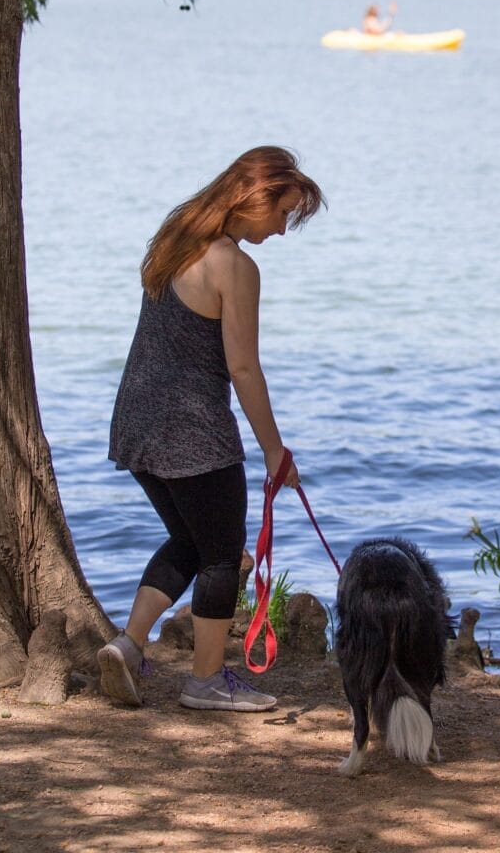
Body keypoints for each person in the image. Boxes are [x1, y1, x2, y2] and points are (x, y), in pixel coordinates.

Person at [99, 146, 325, 712]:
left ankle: (128, 646)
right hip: (192, 430)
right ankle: (205, 681)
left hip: (136, 420)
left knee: (189, 541)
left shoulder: (176, 236)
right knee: (222, 553)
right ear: (255, 196)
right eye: (281, 215)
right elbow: (242, 367)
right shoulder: (235, 266)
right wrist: (275, 450)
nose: (279, 230)